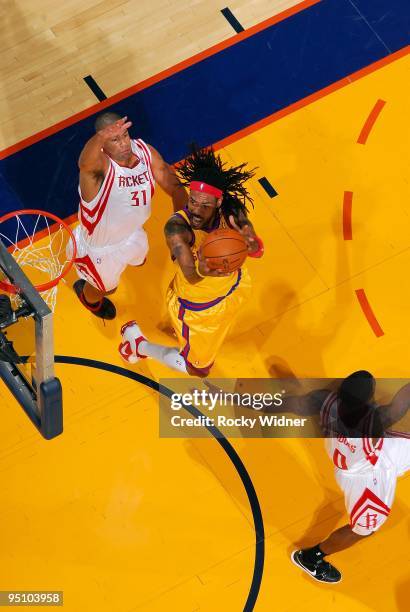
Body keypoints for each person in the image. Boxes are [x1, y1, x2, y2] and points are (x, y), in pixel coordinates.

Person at [118, 145, 264, 376]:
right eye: (193, 201)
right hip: (199, 308)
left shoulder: (231, 211)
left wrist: (252, 243)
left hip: (235, 287)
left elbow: (248, 234)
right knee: (198, 369)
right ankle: (138, 345)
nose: (195, 209)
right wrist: (203, 272)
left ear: (218, 202)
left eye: (204, 205)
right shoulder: (177, 228)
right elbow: (191, 275)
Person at [286, 371, 410, 583]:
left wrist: (231, 397)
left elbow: (282, 404)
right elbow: (400, 404)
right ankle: (312, 557)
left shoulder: (325, 400)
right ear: (368, 399)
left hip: (361, 457)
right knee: (363, 529)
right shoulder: (375, 422)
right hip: (366, 479)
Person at [70, 111, 187, 320]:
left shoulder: (145, 151)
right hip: (99, 251)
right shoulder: (98, 169)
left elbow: (177, 189)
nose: (124, 143)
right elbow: (84, 164)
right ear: (103, 145)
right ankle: (89, 298)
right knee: (107, 290)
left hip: (133, 234)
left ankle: (120, 266)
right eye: (115, 139)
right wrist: (99, 138)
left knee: (139, 259)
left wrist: (181, 227)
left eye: (125, 135)